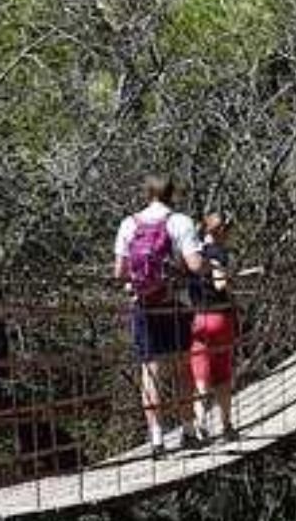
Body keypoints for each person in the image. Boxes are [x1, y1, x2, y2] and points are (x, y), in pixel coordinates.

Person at [113, 174, 205, 455]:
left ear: (147, 193)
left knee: (150, 372)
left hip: (143, 305)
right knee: (181, 369)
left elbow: (119, 273)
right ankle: (188, 431)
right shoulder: (181, 222)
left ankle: (156, 439)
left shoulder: (129, 224)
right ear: (171, 194)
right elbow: (195, 264)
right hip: (174, 303)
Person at [188, 211, 239, 441]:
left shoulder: (192, 255)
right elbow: (220, 285)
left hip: (199, 320)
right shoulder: (221, 253)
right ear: (221, 232)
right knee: (222, 373)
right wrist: (228, 283)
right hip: (221, 318)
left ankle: (200, 427)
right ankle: (227, 425)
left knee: (201, 375)